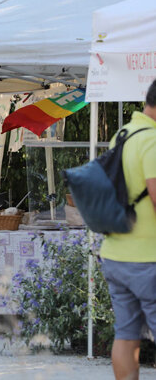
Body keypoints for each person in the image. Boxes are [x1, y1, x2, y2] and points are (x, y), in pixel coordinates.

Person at [100, 79, 156, 380]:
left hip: (116, 254)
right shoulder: (153, 141)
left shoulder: (122, 135)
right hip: (148, 256)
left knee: (126, 335)